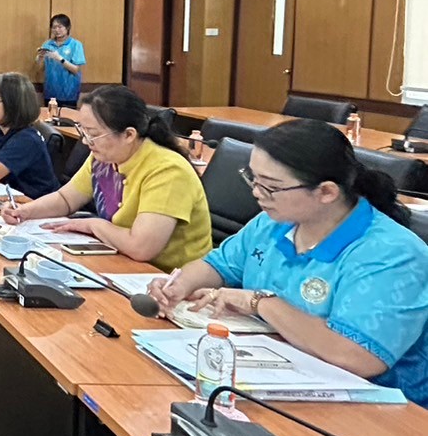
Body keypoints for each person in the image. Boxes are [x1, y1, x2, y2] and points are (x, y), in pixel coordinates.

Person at [149, 120, 428, 403]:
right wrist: (178, 286)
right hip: (281, 371)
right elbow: (218, 265)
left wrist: (259, 302)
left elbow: (356, 357)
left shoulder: (392, 253)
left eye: (271, 187)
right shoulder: (275, 222)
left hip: (375, 405)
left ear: (326, 192)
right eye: (253, 178)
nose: (256, 192)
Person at [1, 85, 211, 270]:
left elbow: (141, 247)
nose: (86, 142)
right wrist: (25, 211)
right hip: (120, 261)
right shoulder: (104, 158)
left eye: (93, 134)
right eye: (83, 131)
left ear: (129, 135)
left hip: (169, 280)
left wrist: (94, 225)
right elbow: (65, 199)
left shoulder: (168, 170)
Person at [36, 14, 86, 107]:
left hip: (69, 94)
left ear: (67, 27)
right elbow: (40, 69)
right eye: (54, 27)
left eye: (60, 27)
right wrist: (41, 57)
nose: (57, 30)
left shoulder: (76, 45)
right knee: (49, 115)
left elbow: (75, 70)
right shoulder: (47, 44)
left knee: (68, 116)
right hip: (50, 92)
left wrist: (59, 58)